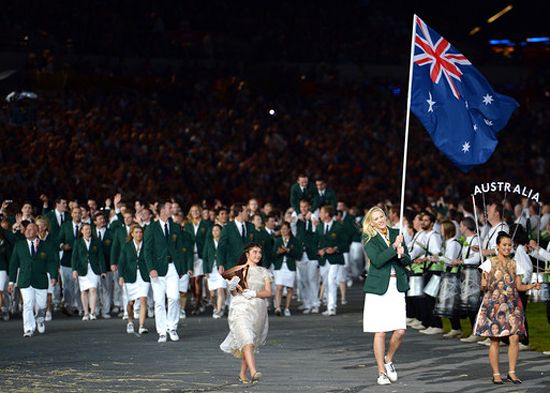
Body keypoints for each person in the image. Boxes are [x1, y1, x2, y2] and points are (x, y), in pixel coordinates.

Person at [473, 232, 540, 384]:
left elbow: (519, 286)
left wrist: (532, 285)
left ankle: (512, 372)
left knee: (515, 337)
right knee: (495, 340)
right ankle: (496, 374)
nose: (507, 247)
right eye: (504, 245)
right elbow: (484, 285)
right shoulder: (489, 263)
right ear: (497, 247)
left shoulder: (515, 264)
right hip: (494, 304)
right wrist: (484, 284)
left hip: (512, 304)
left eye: (509, 245)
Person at [362, 207, 410, 386]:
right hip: (377, 289)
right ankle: (381, 372)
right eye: (376, 218)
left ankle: (388, 359)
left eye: (381, 216)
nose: (380, 220)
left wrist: (401, 253)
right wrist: (393, 247)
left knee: (400, 330)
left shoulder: (397, 233)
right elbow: (378, 260)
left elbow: (407, 260)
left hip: (396, 287)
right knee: (380, 331)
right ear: (371, 222)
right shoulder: (369, 238)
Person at [220, 243, 273, 384]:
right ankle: (254, 372)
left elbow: (268, 292)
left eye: (260, 252)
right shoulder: (239, 270)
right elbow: (235, 291)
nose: (258, 255)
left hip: (258, 310)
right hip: (240, 308)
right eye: (254, 252)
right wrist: (231, 288)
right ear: (247, 254)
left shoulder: (264, 272)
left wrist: (255, 293)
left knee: (250, 343)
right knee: (247, 338)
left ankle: (243, 373)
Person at [144, 201, 191, 343]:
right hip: (157, 269)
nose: (173, 209)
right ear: (163, 210)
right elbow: (147, 250)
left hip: (173, 268)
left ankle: (172, 327)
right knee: (159, 301)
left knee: (174, 298)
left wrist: (181, 268)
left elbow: (180, 249)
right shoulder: (151, 228)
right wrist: (151, 268)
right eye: (170, 207)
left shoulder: (176, 227)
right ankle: (162, 331)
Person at [8, 223, 58, 336]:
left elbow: (51, 262)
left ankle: (40, 320)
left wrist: (54, 276)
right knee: (28, 304)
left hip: (40, 279)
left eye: (31, 229)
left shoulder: (46, 246)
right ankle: (29, 328)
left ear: (37, 231)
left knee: (41, 305)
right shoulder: (19, 245)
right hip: (25, 279)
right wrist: (11, 281)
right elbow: (13, 264)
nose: (28, 231)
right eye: (27, 229)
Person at [118, 224, 150, 334]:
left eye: (140, 232)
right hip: (130, 276)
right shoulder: (126, 246)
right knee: (131, 302)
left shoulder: (147, 245)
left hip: (144, 275)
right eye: (136, 232)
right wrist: (121, 276)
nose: (139, 234)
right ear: (132, 234)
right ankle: (130, 321)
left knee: (143, 300)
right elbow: (122, 262)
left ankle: (141, 325)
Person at [71, 223, 107, 320]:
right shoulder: (77, 242)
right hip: (82, 269)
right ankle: (86, 312)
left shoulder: (96, 242)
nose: (88, 231)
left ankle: (92, 312)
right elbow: (75, 257)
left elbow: (100, 256)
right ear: (82, 231)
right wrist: (74, 269)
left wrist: (103, 270)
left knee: (93, 289)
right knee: (84, 291)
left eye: (89, 229)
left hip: (94, 269)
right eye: (86, 229)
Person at [316, 205, 345, 316]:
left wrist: (335, 249)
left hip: (335, 258)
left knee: (331, 280)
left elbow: (345, 243)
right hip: (323, 259)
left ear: (327, 214)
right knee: (326, 282)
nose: (320, 215)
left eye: (321, 212)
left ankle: (332, 307)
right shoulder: (319, 227)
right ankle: (329, 305)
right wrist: (319, 251)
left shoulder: (338, 226)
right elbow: (315, 242)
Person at [272, 221, 301, 316]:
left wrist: (288, 250)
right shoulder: (278, 241)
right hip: (279, 266)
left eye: (285, 229)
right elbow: (273, 255)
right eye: (282, 229)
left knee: (289, 289)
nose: (283, 231)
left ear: (289, 230)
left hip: (290, 266)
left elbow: (298, 255)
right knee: (279, 287)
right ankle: (278, 307)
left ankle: (287, 308)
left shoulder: (295, 241)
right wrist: (278, 252)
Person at [202, 224, 226, 318]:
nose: (215, 232)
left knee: (220, 289)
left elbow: (227, 255)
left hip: (221, 268)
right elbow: (205, 257)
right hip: (211, 269)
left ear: (221, 231)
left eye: (217, 230)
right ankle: (216, 307)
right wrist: (205, 271)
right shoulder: (208, 242)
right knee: (212, 294)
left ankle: (219, 310)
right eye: (213, 230)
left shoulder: (224, 242)